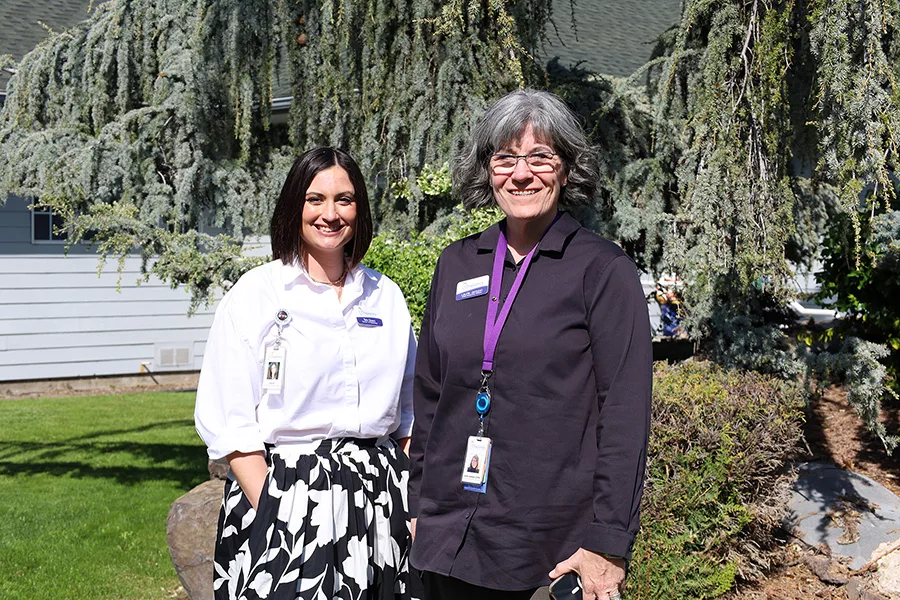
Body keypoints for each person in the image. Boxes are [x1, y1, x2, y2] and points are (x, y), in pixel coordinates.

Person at [408, 89, 652, 600]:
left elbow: (625, 416)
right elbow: (431, 396)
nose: (522, 174)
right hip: (449, 538)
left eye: (540, 157)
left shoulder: (602, 271)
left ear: (566, 168)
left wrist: (608, 545)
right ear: (488, 170)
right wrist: (417, 506)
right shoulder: (457, 264)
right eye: (506, 159)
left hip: (548, 552)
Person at [195, 147, 419, 600]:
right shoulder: (257, 294)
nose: (330, 214)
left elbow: (410, 415)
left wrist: (414, 504)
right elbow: (232, 423)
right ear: (294, 205)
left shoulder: (384, 296)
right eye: (315, 199)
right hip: (287, 494)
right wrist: (279, 512)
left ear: (360, 210)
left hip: (379, 500)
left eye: (345, 200)